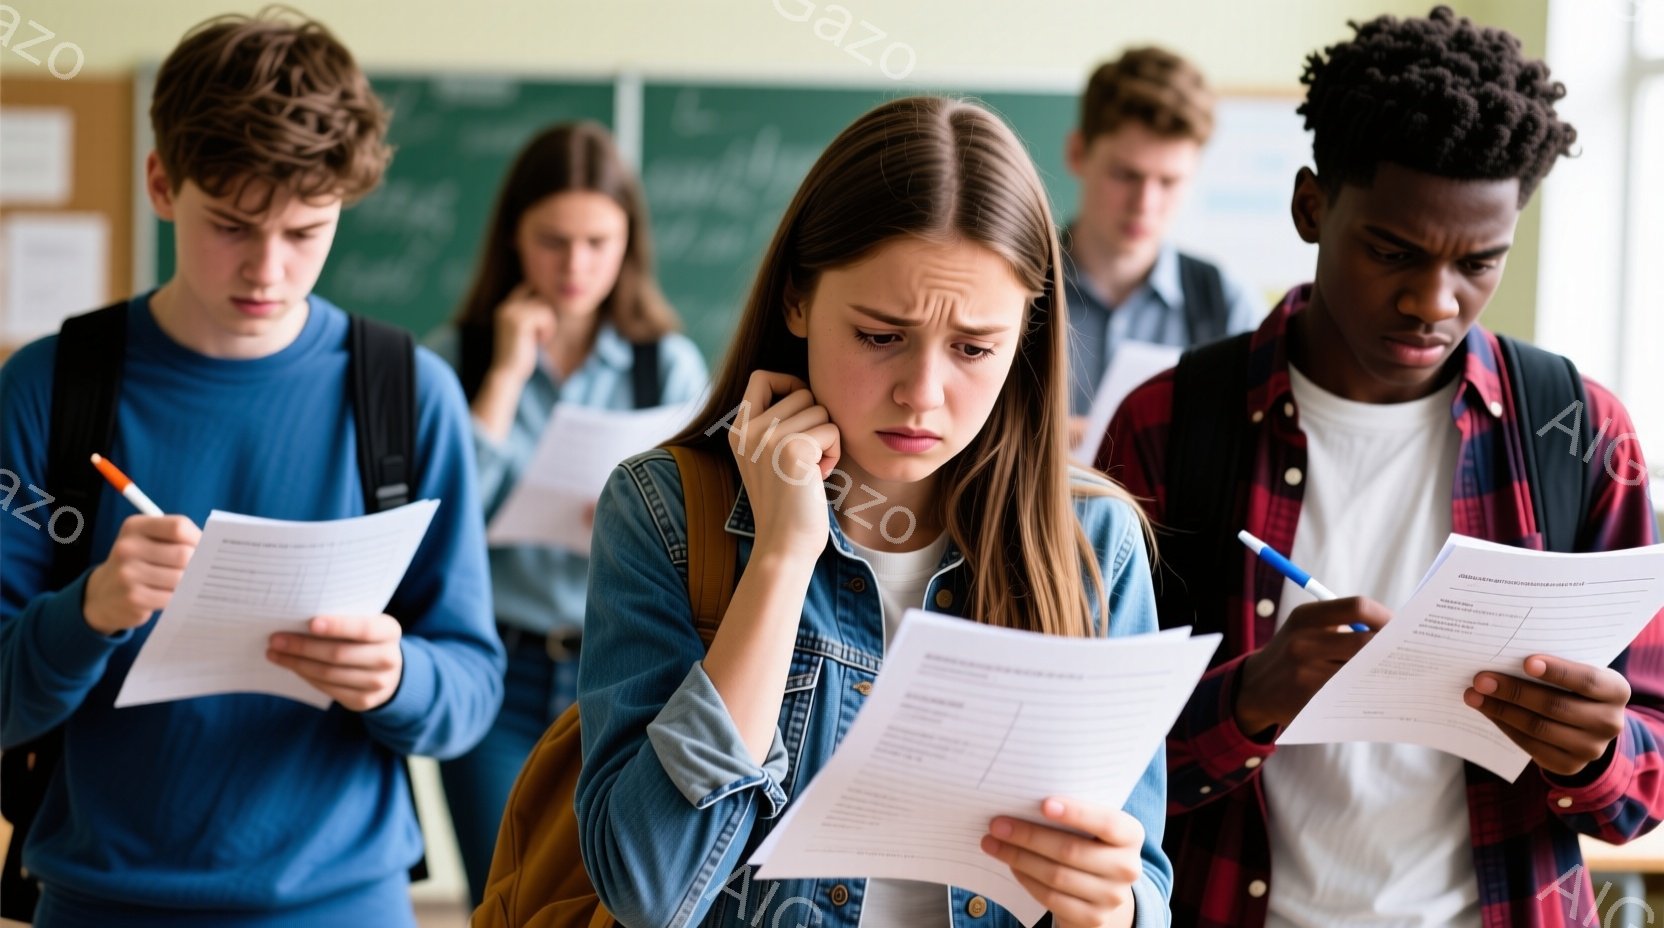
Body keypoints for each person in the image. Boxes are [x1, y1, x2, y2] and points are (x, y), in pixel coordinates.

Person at [1098, 8, 1661, 927]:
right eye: (1393, 252)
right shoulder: (1169, 423)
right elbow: (1090, 766)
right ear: (1312, 206)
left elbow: (1648, 784)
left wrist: (1597, 753)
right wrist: (1253, 696)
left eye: (1480, 262)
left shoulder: (1580, 433)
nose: (1433, 301)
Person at [576, 95, 1173, 928]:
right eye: (880, 334)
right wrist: (782, 561)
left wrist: (1113, 908)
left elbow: (1139, 879)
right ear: (797, 302)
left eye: (973, 348)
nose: (921, 395)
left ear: (1025, 337)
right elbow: (649, 887)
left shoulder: (1092, 543)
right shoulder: (665, 510)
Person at [0, 11, 502, 927]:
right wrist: (89, 614)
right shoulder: (49, 387)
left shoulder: (407, 394)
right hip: (100, 904)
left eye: (307, 231)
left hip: (345, 903)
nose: (267, 269)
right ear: (161, 182)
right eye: (231, 224)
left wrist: (396, 678)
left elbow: (470, 690)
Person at [424, 120, 708, 905]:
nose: (575, 265)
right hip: (499, 666)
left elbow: (706, 522)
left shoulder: (666, 363)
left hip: (625, 666)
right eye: (553, 241)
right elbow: (441, 520)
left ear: (628, 245)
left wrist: (637, 521)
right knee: (504, 893)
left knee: (608, 897)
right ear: (515, 237)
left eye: (597, 242)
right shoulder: (459, 356)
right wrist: (509, 372)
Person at [1063, 46, 1262, 441]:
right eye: (1125, 175)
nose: (1144, 205)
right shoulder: (1010, 283)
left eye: (1169, 182)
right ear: (1078, 154)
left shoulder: (1226, 302)